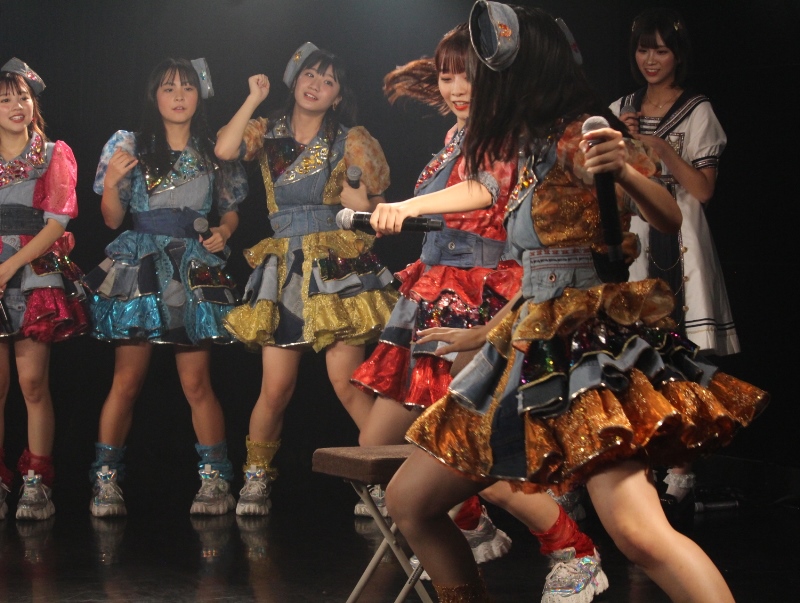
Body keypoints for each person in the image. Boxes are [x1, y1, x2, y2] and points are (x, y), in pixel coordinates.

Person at [376, 3, 768, 602]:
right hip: (524, 347)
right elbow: (538, 272)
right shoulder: (525, 148)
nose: (479, 86)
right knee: (410, 501)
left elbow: (666, 215)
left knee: (639, 534)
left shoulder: (580, 136)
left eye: (491, 72)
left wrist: (626, 172)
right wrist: (480, 333)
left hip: (584, 356)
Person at [349, 24, 609, 601]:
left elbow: (484, 190)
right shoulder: (456, 134)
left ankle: (569, 545)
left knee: (470, 452)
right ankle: (468, 522)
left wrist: (408, 205)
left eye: (467, 76)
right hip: (432, 294)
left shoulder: (509, 134)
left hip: (481, 297)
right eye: (446, 77)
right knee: (381, 440)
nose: (456, 88)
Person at [214, 42, 397, 516]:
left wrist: (360, 200)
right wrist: (254, 98)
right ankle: (256, 478)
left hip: (335, 263)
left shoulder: (349, 138)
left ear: (338, 96)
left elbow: (373, 210)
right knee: (275, 388)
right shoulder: (267, 131)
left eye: (328, 80)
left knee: (346, 382)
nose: (317, 85)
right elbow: (224, 149)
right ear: (294, 80)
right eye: (310, 75)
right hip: (286, 266)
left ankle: (384, 480)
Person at [84, 58, 248, 518]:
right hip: (141, 263)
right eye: (169, 87)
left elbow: (230, 210)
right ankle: (105, 480)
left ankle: (215, 480)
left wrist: (225, 232)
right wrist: (112, 183)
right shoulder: (131, 145)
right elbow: (112, 219)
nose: (178, 96)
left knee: (196, 382)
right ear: (153, 95)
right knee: (127, 381)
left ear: (199, 96)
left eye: (187, 87)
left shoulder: (214, 149)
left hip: (192, 266)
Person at [610, 7, 737, 519]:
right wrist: (622, 147)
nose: (651, 59)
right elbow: (609, 197)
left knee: (685, 359)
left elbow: (703, 190)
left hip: (683, 243)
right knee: (637, 360)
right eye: (644, 49)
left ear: (677, 55)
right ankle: (641, 469)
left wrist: (660, 147)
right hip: (636, 243)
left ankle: (682, 472)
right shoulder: (620, 108)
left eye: (661, 50)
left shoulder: (697, 110)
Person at [0, 58, 89, 522]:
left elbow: (57, 223)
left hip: (32, 268)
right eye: (4, 99)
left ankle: (37, 479)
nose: (16, 105)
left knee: (33, 383)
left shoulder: (53, 154)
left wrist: (9, 265)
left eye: (23, 97)